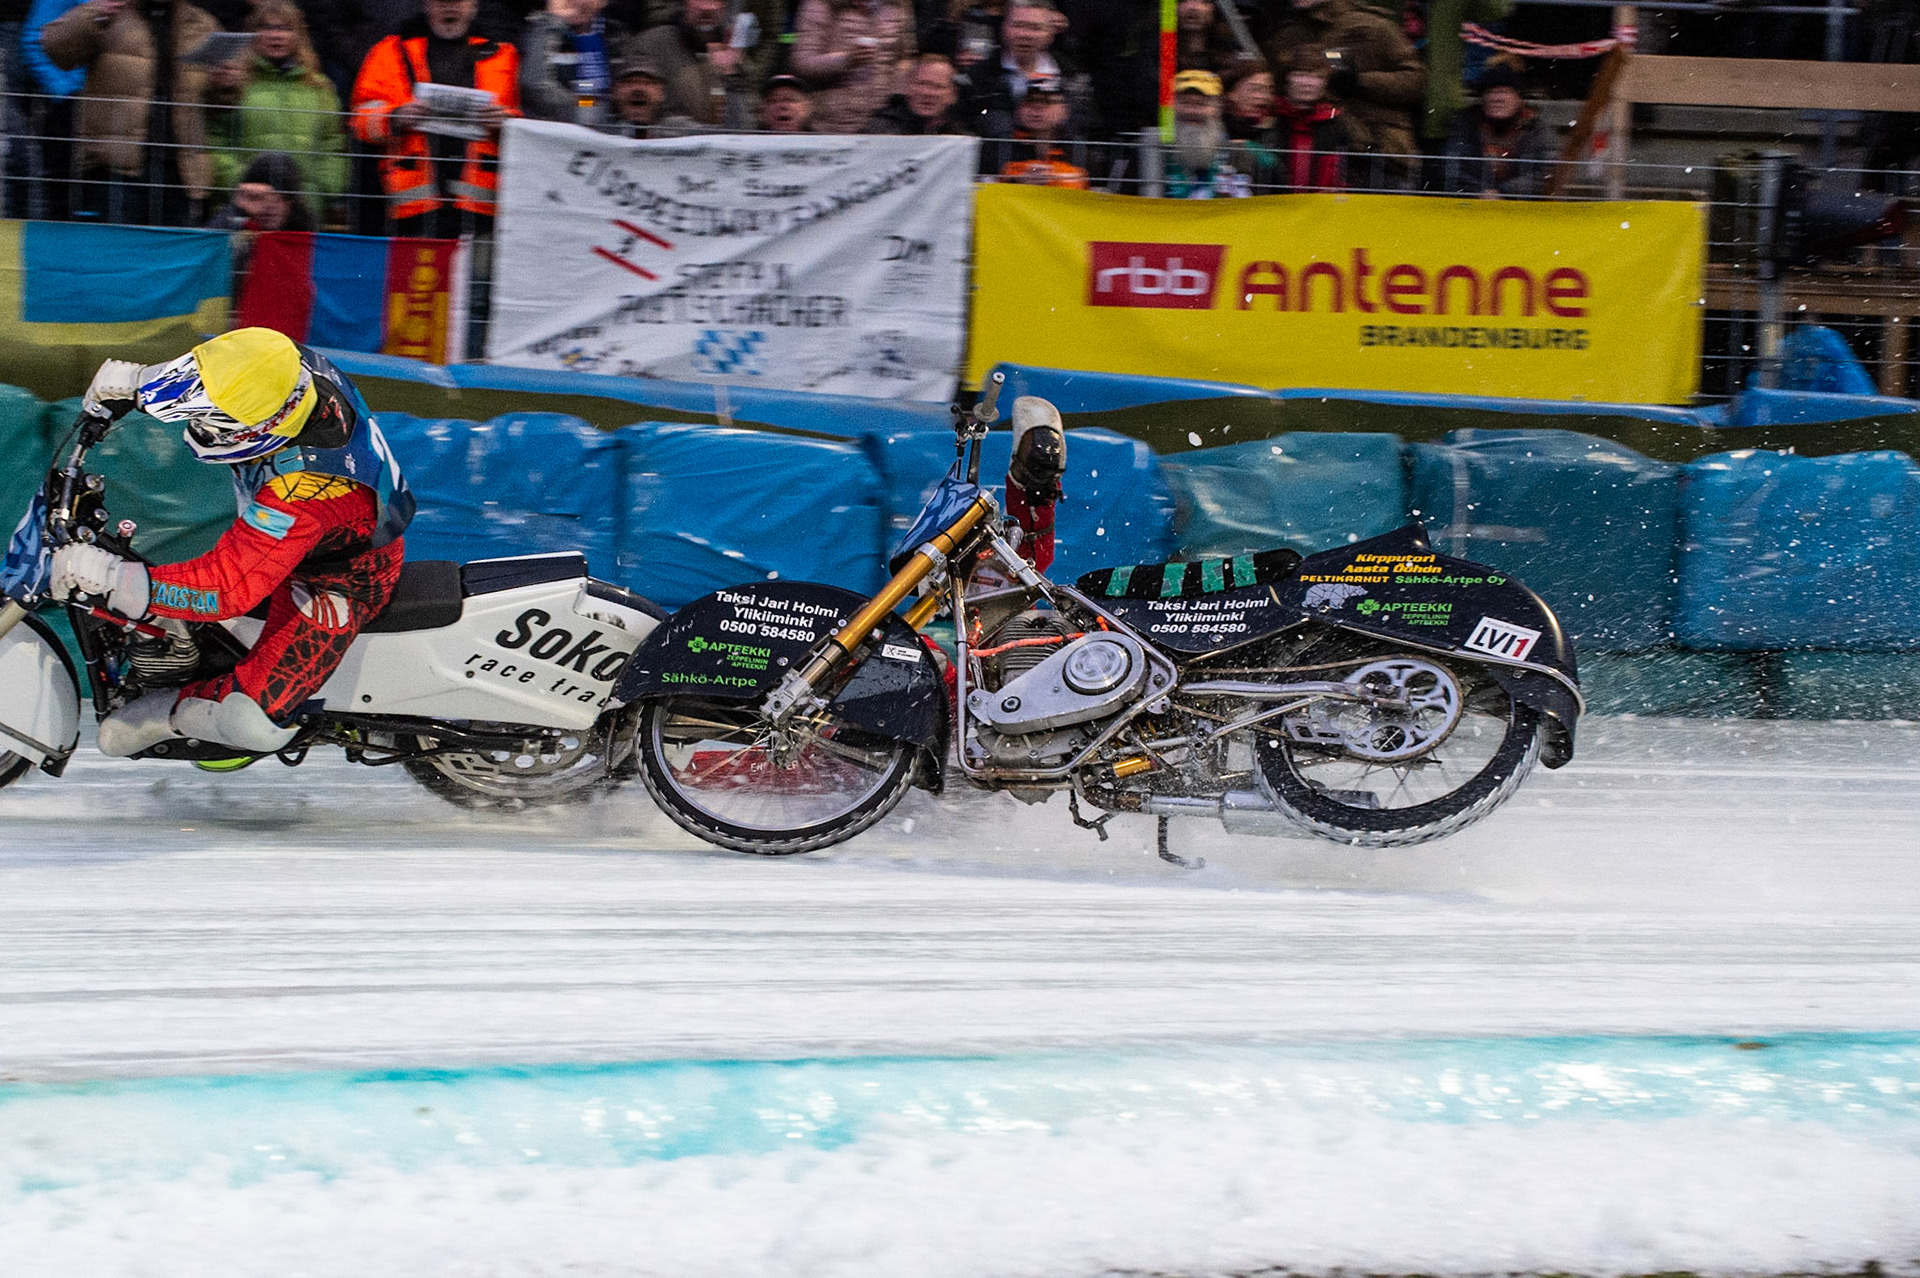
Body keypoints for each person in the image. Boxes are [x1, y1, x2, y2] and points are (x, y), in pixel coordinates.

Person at [49, 328, 414, 759]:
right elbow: (222, 369)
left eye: (216, 422)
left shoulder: (307, 490)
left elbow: (226, 589)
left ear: (263, 427)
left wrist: (113, 577)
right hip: (301, 539)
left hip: (336, 580)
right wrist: (140, 383)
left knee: (251, 721)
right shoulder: (278, 363)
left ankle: (171, 712)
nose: (200, 427)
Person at [39, 0, 221, 226]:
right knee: (117, 255)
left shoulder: (201, 24)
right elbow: (54, 48)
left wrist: (224, 85)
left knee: (172, 257)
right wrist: (93, 16)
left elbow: (218, 105)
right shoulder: (111, 12)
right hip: (116, 169)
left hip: (180, 173)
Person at [348, 0, 519, 239]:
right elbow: (359, 120)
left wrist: (505, 123)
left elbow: (522, 123)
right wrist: (396, 117)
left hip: (480, 211)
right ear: (426, 4)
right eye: (441, 1)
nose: (449, 7)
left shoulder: (503, 55)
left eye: (458, 1)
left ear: (474, 5)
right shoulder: (389, 52)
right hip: (411, 210)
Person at [206, 0, 348, 222]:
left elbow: (333, 146)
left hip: (301, 209)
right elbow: (215, 142)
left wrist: (320, 191)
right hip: (244, 209)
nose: (276, 35)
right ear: (252, 34)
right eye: (267, 27)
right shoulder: (234, 84)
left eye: (285, 28)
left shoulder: (320, 88)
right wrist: (242, 185)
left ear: (298, 35)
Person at [1260, 0, 1423, 189]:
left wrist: (1360, 81)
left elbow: (1416, 81)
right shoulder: (1288, 35)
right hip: (1305, 150)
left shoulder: (1372, 26)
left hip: (1379, 153)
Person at [790, 0, 916, 134]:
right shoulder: (821, 4)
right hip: (831, 123)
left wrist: (894, 105)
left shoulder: (897, 5)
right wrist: (846, 60)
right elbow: (802, 62)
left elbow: (906, 59)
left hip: (882, 124)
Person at [1440, 59, 1553, 198]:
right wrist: (1479, 193)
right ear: (1482, 98)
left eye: (1504, 92)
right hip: (1470, 207)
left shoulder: (1535, 128)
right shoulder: (1465, 125)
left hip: (1521, 209)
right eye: (1491, 92)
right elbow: (1453, 168)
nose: (1497, 98)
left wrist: (1502, 192)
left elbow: (1542, 173)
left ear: (1519, 98)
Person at [955, 0, 1066, 138]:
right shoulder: (978, 77)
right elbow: (964, 126)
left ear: (1050, 34)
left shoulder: (1069, 77)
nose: (1025, 35)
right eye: (1018, 25)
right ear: (1004, 28)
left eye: (1035, 28)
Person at [630, 0, 744, 127]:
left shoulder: (733, 51)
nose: (706, 8)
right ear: (685, 3)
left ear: (724, 7)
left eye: (714, 1)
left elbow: (746, 123)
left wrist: (730, 75)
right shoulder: (652, 44)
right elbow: (636, 109)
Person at [519, 0, 633, 125]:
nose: (579, 1)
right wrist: (551, 22)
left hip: (609, 133)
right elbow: (534, 85)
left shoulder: (616, 34)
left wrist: (592, 106)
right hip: (555, 131)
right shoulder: (540, 31)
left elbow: (628, 91)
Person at [1265, 47, 1350, 190]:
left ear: (1325, 83)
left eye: (1317, 76)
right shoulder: (1269, 117)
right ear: (1286, 78)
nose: (1307, 82)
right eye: (1300, 74)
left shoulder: (1336, 123)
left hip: (1320, 208)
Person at [982, 70, 1084, 185]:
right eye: (1030, 100)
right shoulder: (998, 147)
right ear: (1018, 108)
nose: (1037, 108)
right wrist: (1017, 180)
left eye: (1047, 101)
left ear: (1065, 110)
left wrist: (1054, 179)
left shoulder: (1079, 149)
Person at [1162, 68, 1248, 198]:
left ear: (1218, 109)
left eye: (1201, 104)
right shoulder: (1152, 153)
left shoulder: (1243, 155)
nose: (1192, 111)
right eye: (1185, 102)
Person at [870, 50, 961, 133]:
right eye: (921, 84)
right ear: (907, 87)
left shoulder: (961, 138)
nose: (928, 93)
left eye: (938, 87)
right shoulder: (879, 131)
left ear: (952, 95)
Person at [606, 51, 668, 133]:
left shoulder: (683, 137)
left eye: (648, 83)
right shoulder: (596, 134)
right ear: (614, 91)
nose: (638, 88)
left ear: (662, 93)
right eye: (629, 82)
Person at [1220, 54, 1273, 139]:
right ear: (1231, 94)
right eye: (1254, 89)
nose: (1263, 96)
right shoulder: (1217, 128)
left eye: (1268, 89)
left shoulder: (1276, 128)